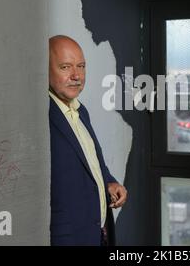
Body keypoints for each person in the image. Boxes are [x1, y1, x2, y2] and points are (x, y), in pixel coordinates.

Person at [48, 35, 127, 246]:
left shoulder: (80, 110)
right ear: (44, 69)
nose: (76, 75)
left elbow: (87, 160)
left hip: (98, 235)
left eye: (81, 66)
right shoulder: (39, 115)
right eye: (65, 67)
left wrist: (108, 180)